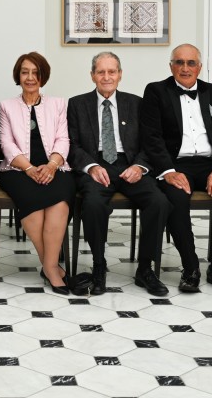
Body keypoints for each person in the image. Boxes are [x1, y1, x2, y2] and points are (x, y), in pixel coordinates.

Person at [140, 43, 212, 294]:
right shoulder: (156, 91)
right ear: (171, 66)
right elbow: (152, 137)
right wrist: (168, 172)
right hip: (176, 165)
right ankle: (190, 268)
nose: (185, 68)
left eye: (191, 63)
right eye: (179, 62)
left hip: (211, 165)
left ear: (199, 67)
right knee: (175, 200)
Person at [68, 52, 171, 296]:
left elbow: (152, 143)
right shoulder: (76, 104)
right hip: (96, 166)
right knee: (92, 204)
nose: (106, 77)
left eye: (111, 71)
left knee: (159, 202)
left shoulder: (136, 103)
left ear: (120, 74)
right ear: (92, 75)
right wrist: (91, 166)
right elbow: (71, 145)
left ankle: (145, 269)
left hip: (129, 164)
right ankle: (99, 266)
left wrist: (140, 166)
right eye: (101, 72)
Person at [0, 52, 76, 295]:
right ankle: (52, 268)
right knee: (32, 202)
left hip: (54, 166)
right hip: (18, 169)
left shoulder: (59, 104)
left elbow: (64, 138)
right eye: (25, 72)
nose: (30, 77)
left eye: (35, 72)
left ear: (43, 76)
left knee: (60, 203)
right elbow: (6, 144)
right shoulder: (6, 106)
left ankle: (49, 266)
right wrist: (29, 168)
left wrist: (51, 165)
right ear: (18, 76)